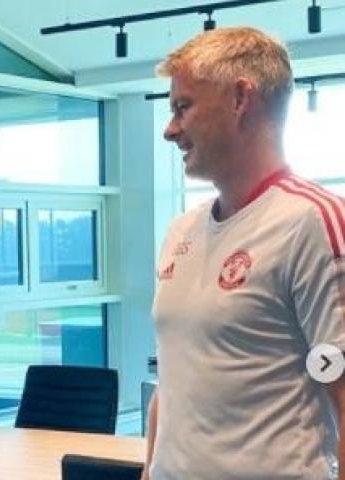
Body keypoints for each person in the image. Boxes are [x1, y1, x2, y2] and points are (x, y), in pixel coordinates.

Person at [143, 27, 345, 479]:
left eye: (183, 107)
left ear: (240, 99)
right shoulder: (181, 231)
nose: (169, 129)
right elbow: (173, 383)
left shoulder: (312, 222)